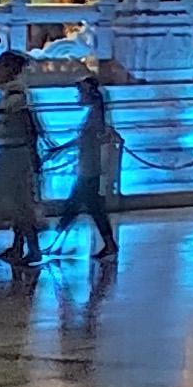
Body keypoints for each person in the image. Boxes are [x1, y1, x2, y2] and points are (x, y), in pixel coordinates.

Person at [0, 59, 46, 269]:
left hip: (13, 156)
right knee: (20, 204)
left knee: (6, 204)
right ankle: (22, 247)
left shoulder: (16, 97)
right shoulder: (12, 95)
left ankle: (31, 249)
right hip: (11, 154)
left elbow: (15, 120)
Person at [60, 76, 124, 257]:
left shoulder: (95, 116)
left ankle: (58, 240)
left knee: (84, 207)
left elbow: (88, 138)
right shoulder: (96, 115)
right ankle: (108, 243)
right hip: (88, 165)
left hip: (89, 167)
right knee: (87, 207)